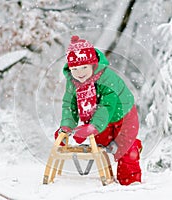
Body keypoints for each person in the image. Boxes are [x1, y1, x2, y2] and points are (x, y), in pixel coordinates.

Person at [54, 35, 142, 185]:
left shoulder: (108, 79)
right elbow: (70, 104)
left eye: (84, 67)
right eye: (75, 68)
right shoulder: (73, 82)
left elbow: (106, 106)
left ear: (93, 64)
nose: (79, 72)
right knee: (103, 145)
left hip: (123, 116)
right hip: (100, 120)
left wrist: (93, 127)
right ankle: (120, 144)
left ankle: (130, 181)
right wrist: (67, 126)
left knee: (126, 149)